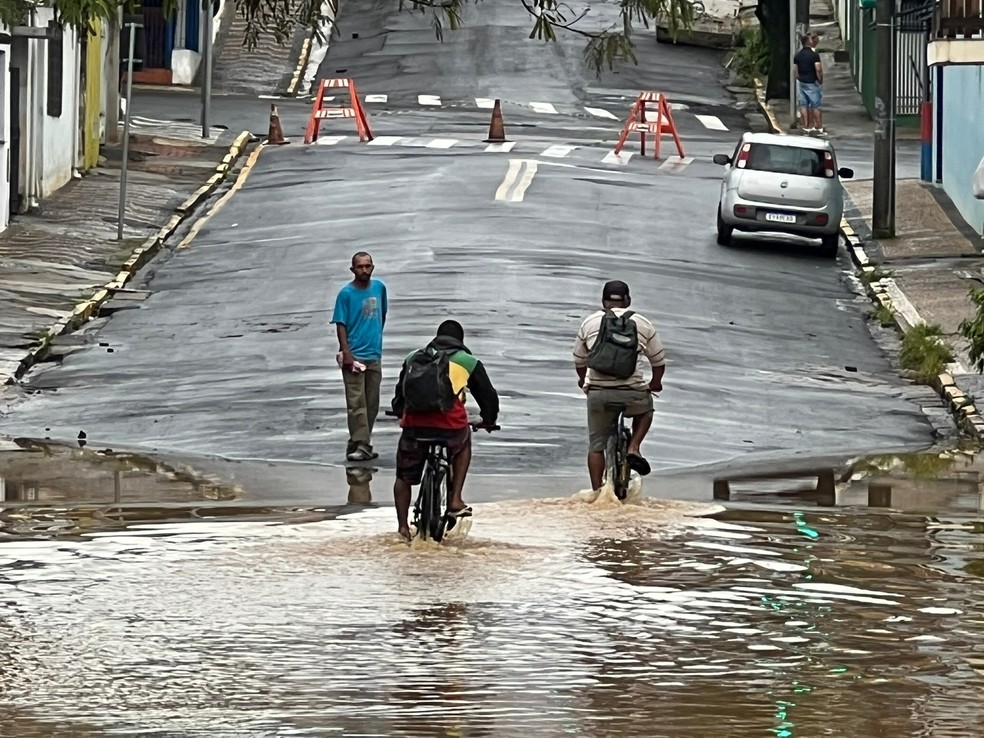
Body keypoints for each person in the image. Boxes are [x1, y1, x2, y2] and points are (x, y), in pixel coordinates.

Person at [390, 320, 499, 541]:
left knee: (403, 476)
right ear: (460, 341)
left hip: (414, 426)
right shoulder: (468, 362)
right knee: (464, 442)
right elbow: (488, 397)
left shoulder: (413, 357)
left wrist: (400, 412)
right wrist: (488, 420)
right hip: (450, 426)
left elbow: (400, 395)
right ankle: (455, 499)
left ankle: (402, 528)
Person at [573, 280, 665, 494]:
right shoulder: (643, 323)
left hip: (599, 393)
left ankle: (598, 493)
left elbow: (579, 360)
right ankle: (634, 447)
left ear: (603, 301)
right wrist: (655, 383)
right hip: (633, 392)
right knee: (646, 410)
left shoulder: (590, 322)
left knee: (596, 445)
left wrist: (583, 380)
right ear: (628, 300)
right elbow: (658, 361)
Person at [331, 251, 387, 461]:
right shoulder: (346, 294)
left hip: (374, 354)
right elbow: (341, 324)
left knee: (371, 403)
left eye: (368, 266)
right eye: (360, 266)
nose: (364, 270)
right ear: (352, 269)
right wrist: (346, 351)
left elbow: (382, 315)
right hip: (354, 356)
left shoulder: (379, 288)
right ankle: (362, 444)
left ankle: (357, 442)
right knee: (356, 404)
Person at [793, 33, 825, 136]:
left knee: (803, 105)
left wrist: (799, 78)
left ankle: (806, 126)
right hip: (812, 82)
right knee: (815, 105)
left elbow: (795, 70)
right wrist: (820, 79)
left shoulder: (797, 56)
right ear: (809, 42)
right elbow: (818, 69)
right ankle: (818, 126)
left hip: (801, 82)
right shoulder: (814, 55)